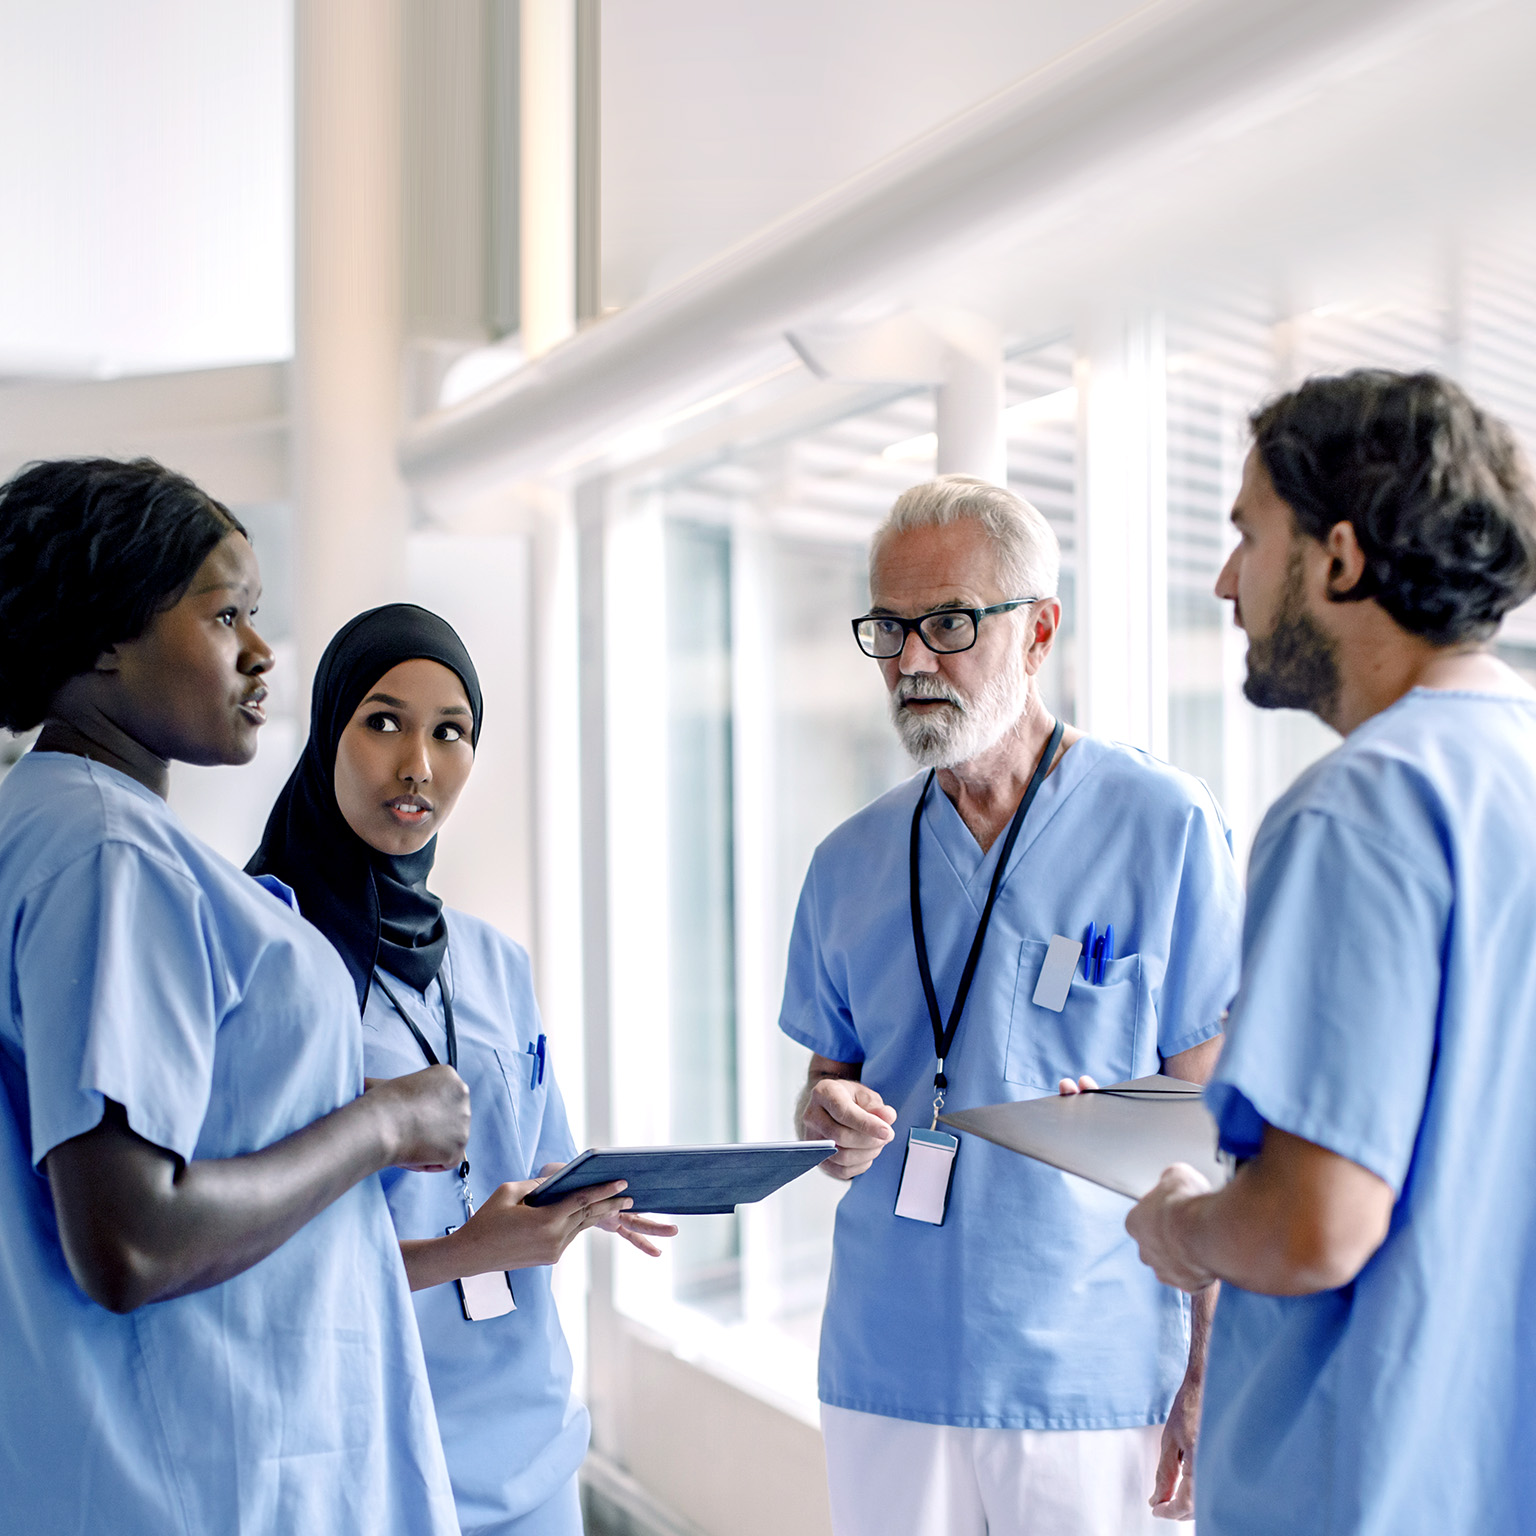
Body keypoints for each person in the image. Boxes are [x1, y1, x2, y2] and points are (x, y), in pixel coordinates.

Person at [0, 458, 468, 1536]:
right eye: (225, 618)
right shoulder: (112, 858)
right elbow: (133, 1239)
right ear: (105, 636)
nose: (263, 655)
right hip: (201, 1479)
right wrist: (387, 1122)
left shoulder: (54, 824)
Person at [780, 474, 1243, 1536]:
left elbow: (1224, 1132)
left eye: (947, 623)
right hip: (885, 1370)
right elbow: (827, 1093)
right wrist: (826, 1124)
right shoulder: (847, 864)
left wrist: (1211, 1370)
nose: (909, 661)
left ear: (1038, 632)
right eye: (889, 629)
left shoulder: (1161, 827)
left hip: (1094, 1372)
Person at [1125, 370, 1536, 1536]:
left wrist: (1184, 1225)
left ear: (1339, 559)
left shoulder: (1361, 808)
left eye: (1248, 537)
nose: (1224, 581)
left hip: (1365, 1485)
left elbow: (1313, 1224)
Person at [249, 602, 676, 1536]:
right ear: (327, 731)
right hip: (354, 1457)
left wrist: (596, 1195)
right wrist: (467, 1254)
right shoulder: (259, 956)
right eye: (384, 722)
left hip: (528, 1452)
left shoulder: (492, 961)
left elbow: (539, 1160)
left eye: (451, 732)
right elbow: (241, 1258)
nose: (418, 767)